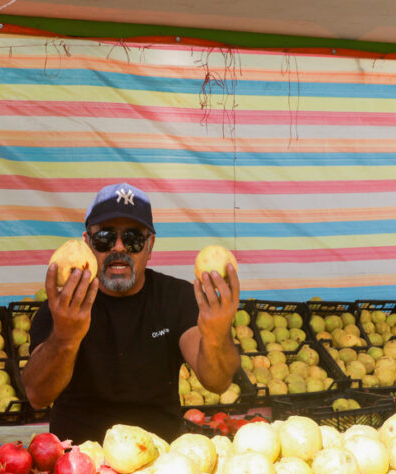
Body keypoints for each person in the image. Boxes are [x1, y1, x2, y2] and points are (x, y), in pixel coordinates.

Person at [22, 182, 241, 444]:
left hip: (159, 465)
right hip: (78, 466)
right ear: (87, 244)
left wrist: (217, 336)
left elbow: (217, 382)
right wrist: (64, 338)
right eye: (105, 237)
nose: (118, 247)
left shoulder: (177, 297)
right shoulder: (63, 306)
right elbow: (37, 395)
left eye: (133, 239)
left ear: (150, 246)